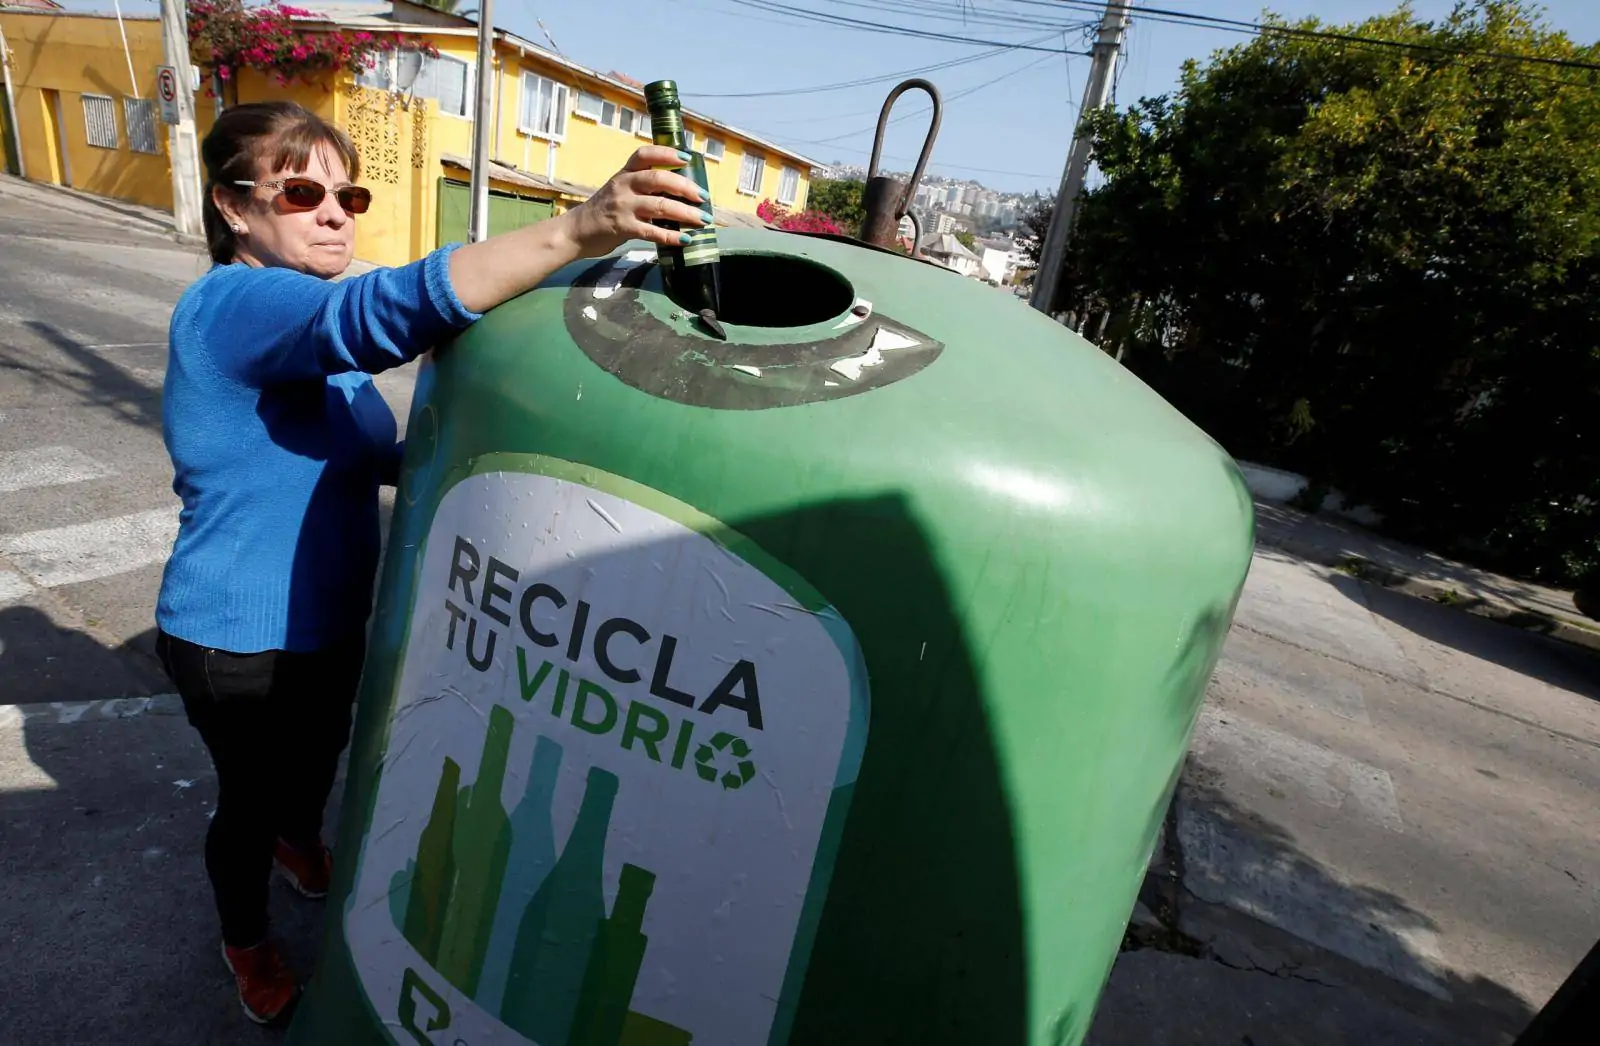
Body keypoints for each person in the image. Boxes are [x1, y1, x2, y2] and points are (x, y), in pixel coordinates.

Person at [152, 100, 711, 1025]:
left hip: (330, 618)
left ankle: (302, 840)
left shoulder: (305, 342)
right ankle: (247, 940)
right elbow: (387, 310)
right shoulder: (242, 305)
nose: (335, 213)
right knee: (247, 801)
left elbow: (376, 455)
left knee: (319, 756)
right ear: (234, 208)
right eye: (301, 192)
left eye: (348, 193)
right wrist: (581, 226)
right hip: (232, 635)